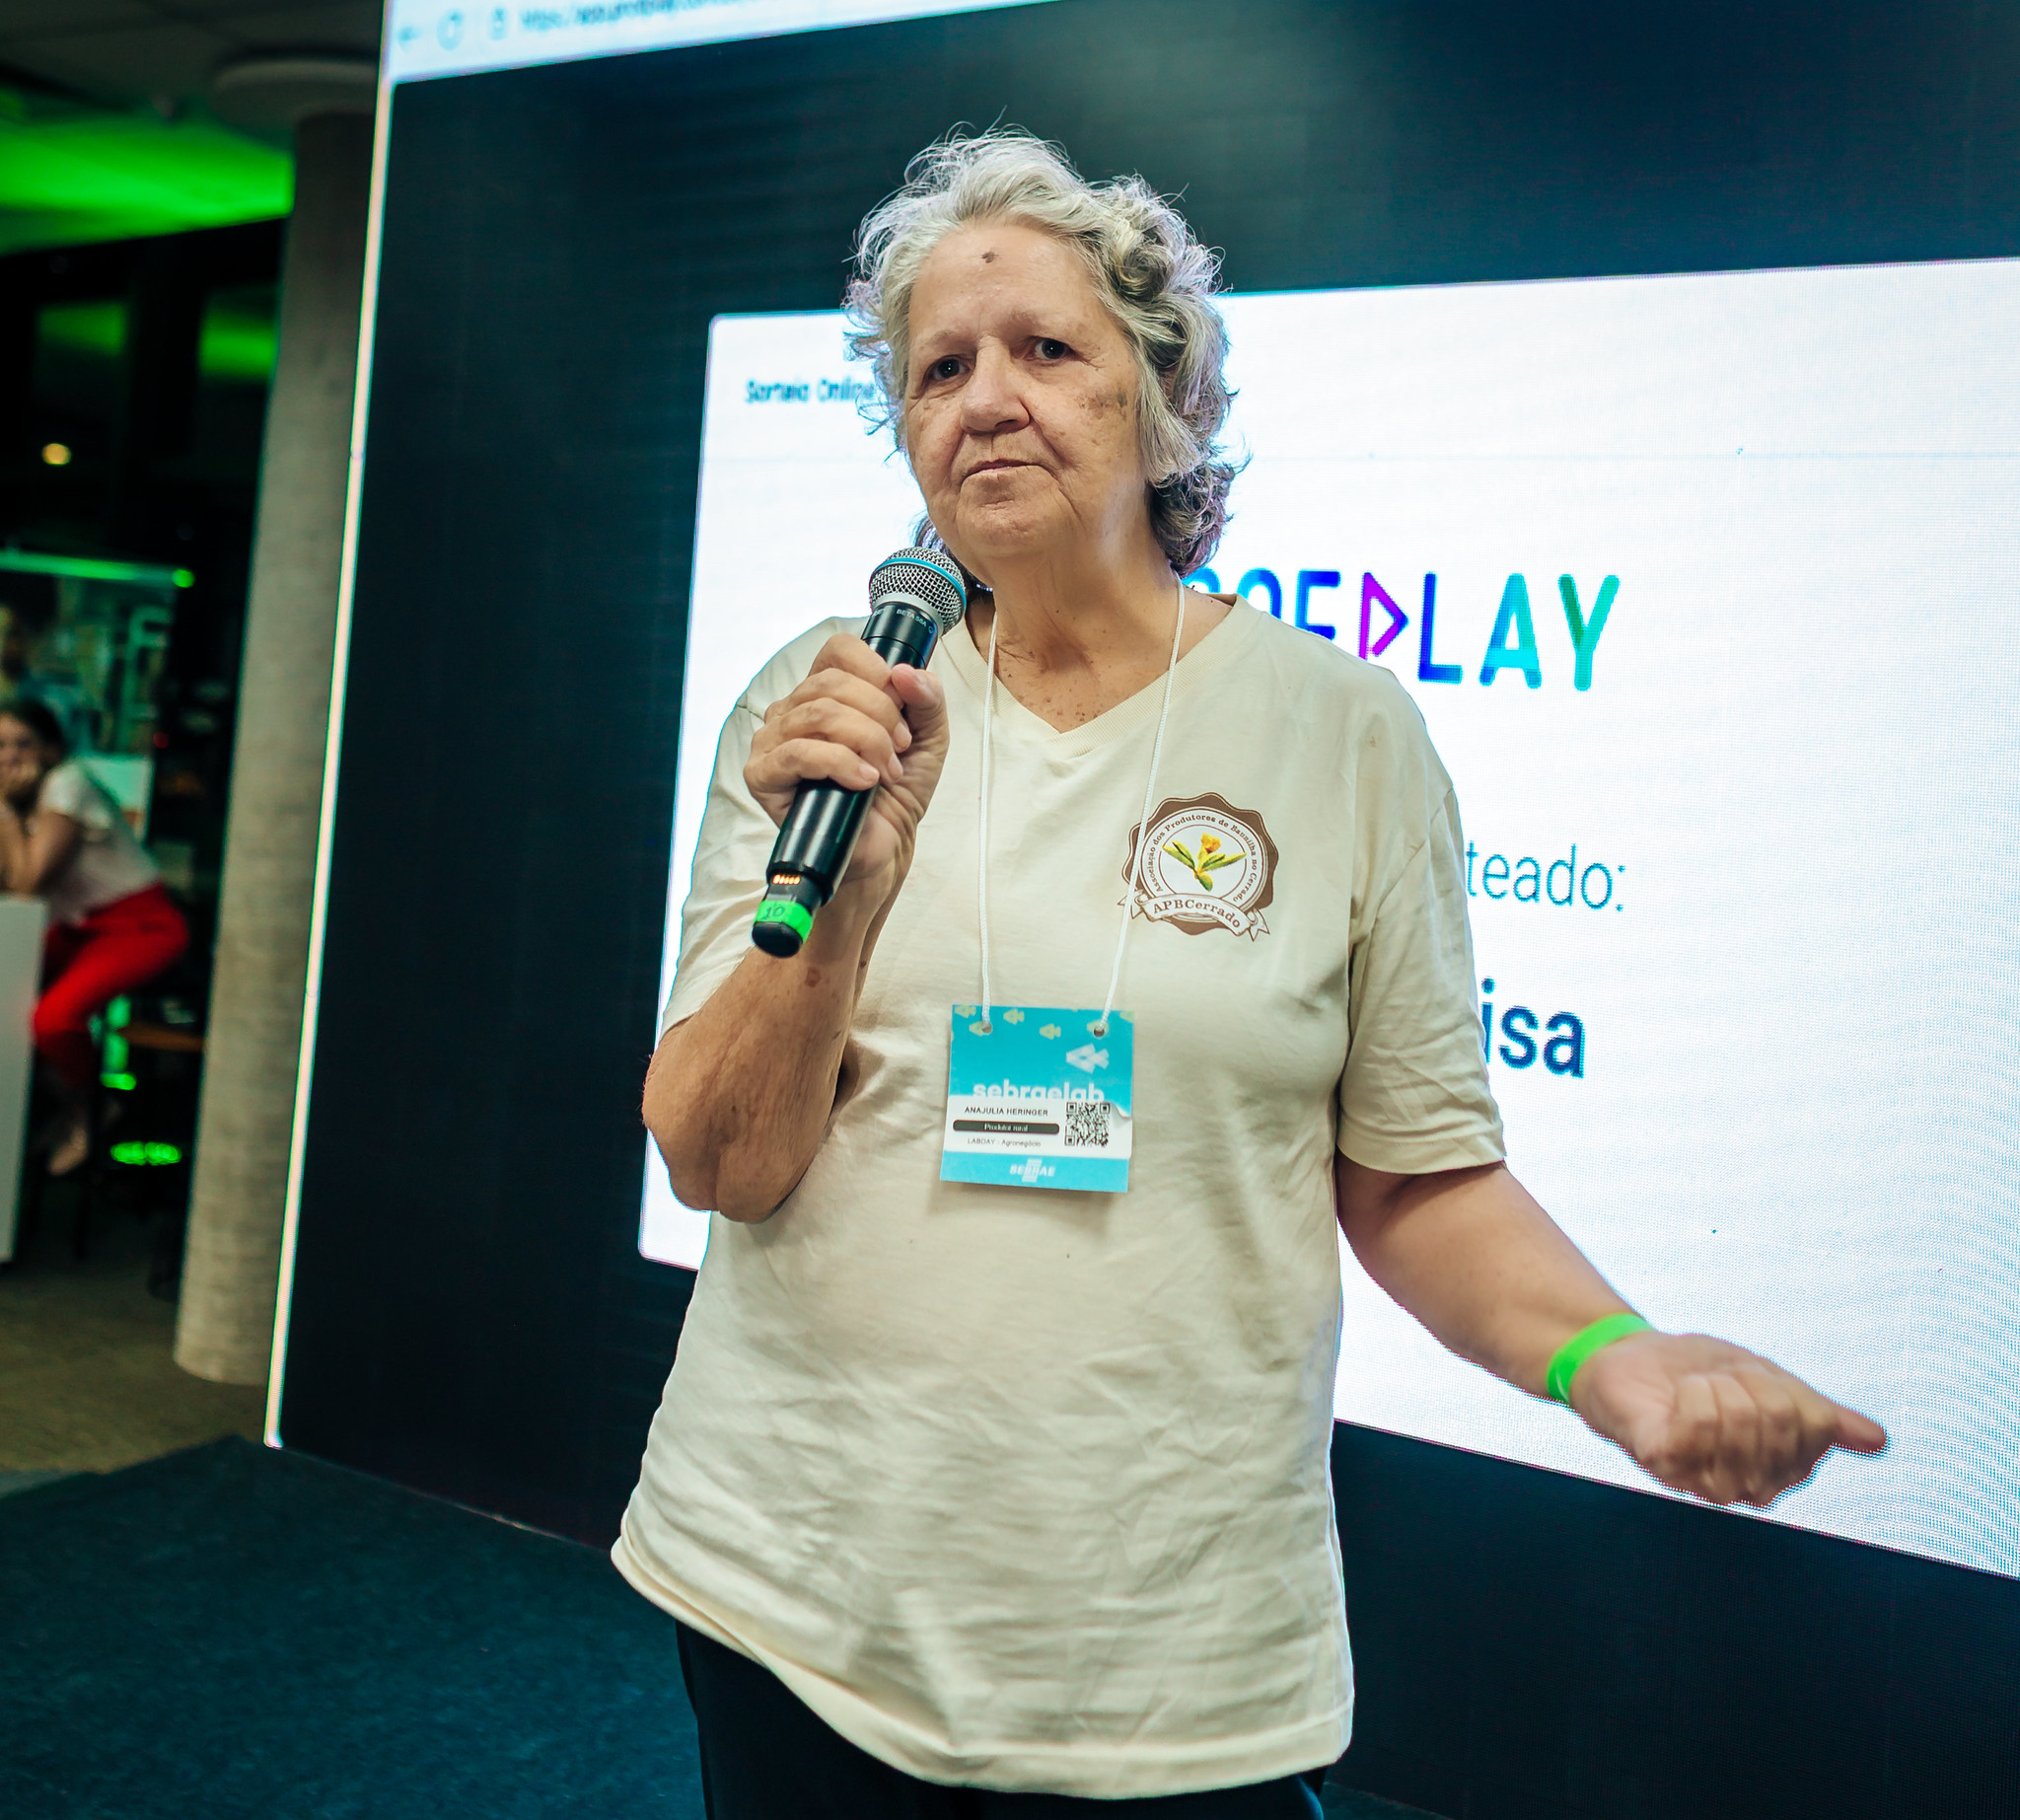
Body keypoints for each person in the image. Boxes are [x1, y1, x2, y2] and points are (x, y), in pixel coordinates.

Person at [619, 132, 1886, 1816]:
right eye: (937, 369)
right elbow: (718, 1159)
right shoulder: (833, 710)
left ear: (1167, 402)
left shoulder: (1343, 732)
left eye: (1044, 348)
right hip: (788, 1584)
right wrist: (839, 911)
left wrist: (1610, 1358)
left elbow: (1417, 1178)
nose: (985, 398)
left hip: (1166, 1644)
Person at [0, 698, 187, 1176]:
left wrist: (2, 811)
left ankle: (86, 1108)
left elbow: (27, 882)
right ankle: (53, 1106)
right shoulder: (24, 800)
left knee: (53, 1020)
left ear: (51, 749)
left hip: (139, 925)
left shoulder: (68, 784)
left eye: (23, 744)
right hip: (76, 929)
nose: (9, 757)